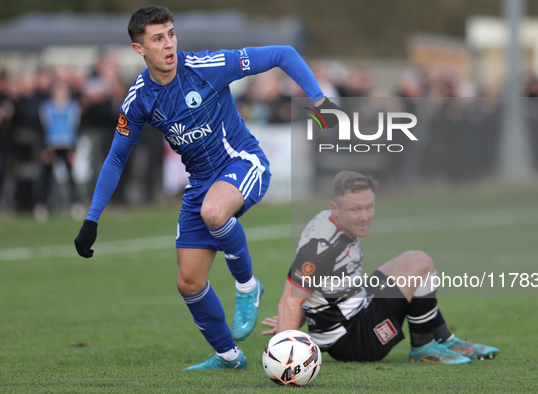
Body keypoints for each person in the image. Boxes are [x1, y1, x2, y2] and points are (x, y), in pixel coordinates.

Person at [74, 5, 339, 371]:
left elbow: (283, 53)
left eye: (171, 34)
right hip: (200, 183)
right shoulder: (139, 99)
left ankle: (248, 287)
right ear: (140, 50)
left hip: (243, 162)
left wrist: (320, 100)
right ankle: (229, 358)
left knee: (213, 212)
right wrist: (92, 219)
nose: (168, 44)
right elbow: (116, 159)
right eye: (157, 38)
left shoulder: (206, 66)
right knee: (189, 282)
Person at [261, 171, 499, 364]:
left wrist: (295, 321)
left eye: (369, 207)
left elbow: (315, 293)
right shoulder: (321, 248)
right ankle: (423, 347)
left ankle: (445, 339)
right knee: (419, 262)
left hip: (354, 314)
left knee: (406, 261)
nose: (365, 216)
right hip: (356, 339)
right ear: (335, 208)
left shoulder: (335, 223)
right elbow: (290, 300)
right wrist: (284, 349)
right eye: (356, 209)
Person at [36, 82, 82, 218]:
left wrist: (74, 148)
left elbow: (76, 126)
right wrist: (44, 147)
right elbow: (43, 127)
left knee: (70, 176)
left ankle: (75, 203)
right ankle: (42, 204)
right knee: (46, 175)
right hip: (51, 144)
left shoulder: (73, 106)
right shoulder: (46, 107)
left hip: (67, 144)